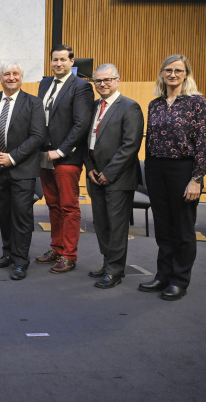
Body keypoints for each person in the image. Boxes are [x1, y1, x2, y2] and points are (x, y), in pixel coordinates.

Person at [139, 54, 206, 301]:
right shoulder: (155, 104)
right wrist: (148, 173)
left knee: (182, 227)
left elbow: (203, 144)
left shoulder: (197, 103)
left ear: (186, 74)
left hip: (183, 170)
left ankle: (179, 280)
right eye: (168, 70)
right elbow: (150, 142)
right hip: (157, 170)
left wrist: (196, 179)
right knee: (163, 227)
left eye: (178, 71)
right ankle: (163, 275)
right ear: (161, 73)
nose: (172, 74)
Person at [0, 62, 45, 281]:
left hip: (22, 170)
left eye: (15, 74)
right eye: (6, 74)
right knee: (4, 215)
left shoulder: (34, 103)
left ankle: (20, 261)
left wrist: (11, 157)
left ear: (21, 77)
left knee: (22, 216)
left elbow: (37, 137)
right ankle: (7, 252)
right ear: (0, 78)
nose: (11, 77)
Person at [84, 64, 143, 289]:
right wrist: (89, 166)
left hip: (118, 178)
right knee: (101, 223)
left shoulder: (130, 107)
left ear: (118, 80)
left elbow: (130, 146)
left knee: (117, 225)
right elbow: (86, 141)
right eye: (98, 81)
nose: (103, 84)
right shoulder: (93, 106)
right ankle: (108, 262)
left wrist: (109, 173)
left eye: (108, 79)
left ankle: (115, 271)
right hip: (94, 175)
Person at [35, 45, 93, 274]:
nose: (58, 63)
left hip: (66, 157)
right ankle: (56, 248)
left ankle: (69, 255)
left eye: (63, 59)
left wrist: (60, 151)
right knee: (53, 205)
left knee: (69, 207)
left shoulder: (81, 87)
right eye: (55, 59)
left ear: (72, 62)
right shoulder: (44, 83)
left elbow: (81, 124)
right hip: (44, 155)